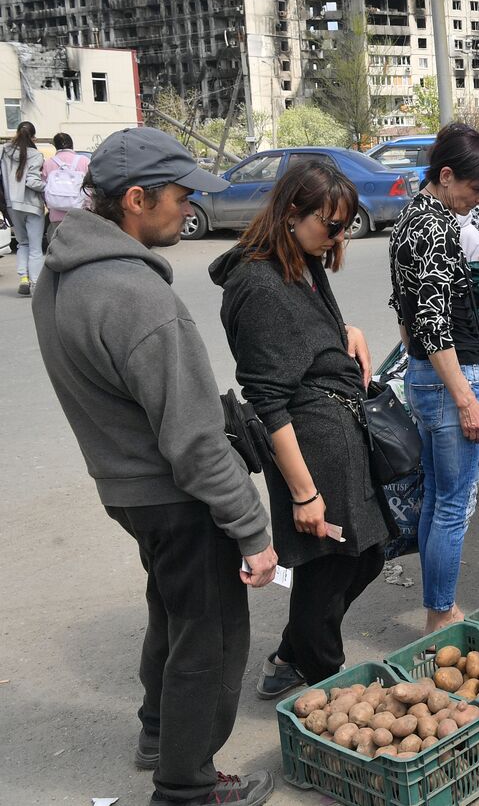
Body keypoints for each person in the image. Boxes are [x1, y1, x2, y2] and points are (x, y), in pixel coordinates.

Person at [33, 127, 277, 806]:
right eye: (180, 194)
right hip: (177, 496)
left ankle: (158, 733)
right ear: (136, 200)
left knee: (172, 613)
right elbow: (195, 441)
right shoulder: (136, 294)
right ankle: (186, 786)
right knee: (210, 638)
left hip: (128, 489)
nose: (190, 207)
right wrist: (252, 532)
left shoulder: (60, 273)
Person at [210, 159, 389, 700]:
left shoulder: (300, 260)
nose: (339, 238)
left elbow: (305, 329)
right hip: (309, 449)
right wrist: (304, 494)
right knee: (326, 571)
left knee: (367, 554)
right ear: (292, 213)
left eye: (345, 227)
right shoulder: (256, 284)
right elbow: (269, 403)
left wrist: (347, 330)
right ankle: (330, 688)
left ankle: (291, 655)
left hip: (339, 436)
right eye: (331, 226)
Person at [388, 122, 479, 633]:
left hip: (427, 375)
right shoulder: (435, 229)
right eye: (476, 190)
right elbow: (433, 325)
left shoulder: (412, 217)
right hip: (447, 379)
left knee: (438, 498)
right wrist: (465, 399)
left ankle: (440, 607)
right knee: (453, 505)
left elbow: (406, 312)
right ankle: (440, 614)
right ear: (448, 174)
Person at [3, 120, 45, 295]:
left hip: (12, 204)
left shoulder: (3, 151)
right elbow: (32, 181)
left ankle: (23, 278)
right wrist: (47, 186)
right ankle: (35, 283)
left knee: (22, 243)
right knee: (35, 247)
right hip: (32, 205)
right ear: (33, 137)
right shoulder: (35, 155)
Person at [42, 132, 90, 224]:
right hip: (80, 215)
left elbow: (43, 190)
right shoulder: (84, 161)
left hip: (56, 217)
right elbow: (91, 188)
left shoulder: (48, 163)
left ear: (55, 146)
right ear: (72, 145)